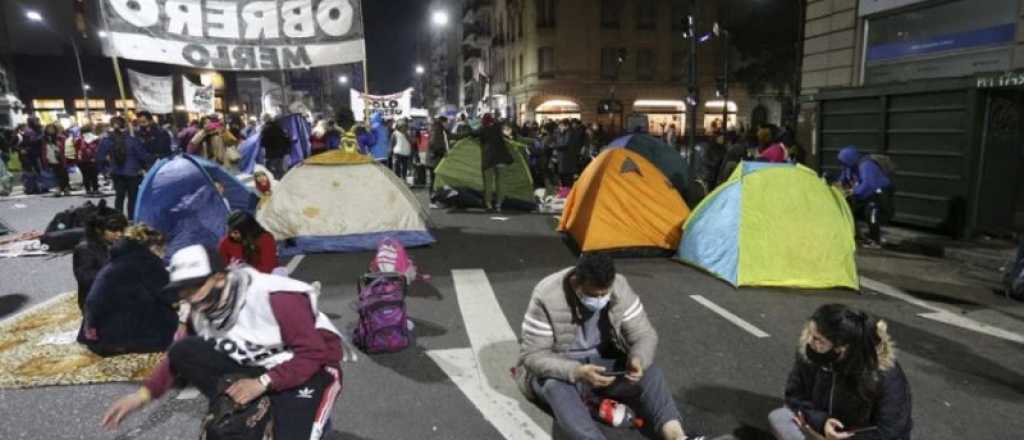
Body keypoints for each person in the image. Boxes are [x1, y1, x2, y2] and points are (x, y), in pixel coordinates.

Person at [101, 244, 344, 439]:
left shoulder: (275, 296)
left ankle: (313, 422)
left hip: (312, 368)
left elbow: (313, 353)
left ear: (219, 278)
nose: (189, 296)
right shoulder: (202, 307)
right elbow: (178, 356)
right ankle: (256, 408)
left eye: (194, 286)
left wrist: (262, 383)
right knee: (186, 350)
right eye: (181, 290)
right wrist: (142, 396)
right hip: (259, 363)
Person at [516, 253, 703, 440]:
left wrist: (638, 358)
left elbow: (644, 334)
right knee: (554, 387)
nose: (599, 299)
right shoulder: (547, 295)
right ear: (576, 282)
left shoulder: (619, 287)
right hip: (563, 369)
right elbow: (533, 355)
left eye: (604, 294)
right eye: (592, 294)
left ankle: (676, 435)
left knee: (651, 373)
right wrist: (577, 371)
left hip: (603, 364)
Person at [768, 304, 912, 440]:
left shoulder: (884, 373)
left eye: (818, 339)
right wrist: (822, 422)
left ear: (842, 348)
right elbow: (794, 396)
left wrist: (844, 437)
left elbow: (890, 430)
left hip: (858, 437)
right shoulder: (810, 355)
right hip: (822, 431)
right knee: (780, 417)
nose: (810, 342)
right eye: (810, 334)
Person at [79, 224, 176, 356]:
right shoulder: (146, 261)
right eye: (162, 249)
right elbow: (169, 294)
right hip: (114, 341)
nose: (164, 254)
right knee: (170, 315)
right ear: (153, 247)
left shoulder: (121, 256)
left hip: (94, 334)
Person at [837, 146, 893, 247]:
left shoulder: (866, 165)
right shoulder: (849, 167)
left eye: (843, 162)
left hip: (879, 193)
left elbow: (869, 184)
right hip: (865, 193)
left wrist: (852, 191)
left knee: (872, 212)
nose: (842, 165)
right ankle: (857, 235)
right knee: (848, 209)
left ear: (850, 159)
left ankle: (876, 241)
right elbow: (843, 180)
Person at [97, 116, 151, 220]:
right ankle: (132, 218)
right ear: (125, 126)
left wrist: (104, 171)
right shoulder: (132, 140)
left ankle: (118, 219)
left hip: (116, 172)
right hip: (133, 172)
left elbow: (99, 157)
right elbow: (142, 155)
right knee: (133, 198)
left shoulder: (107, 140)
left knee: (119, 197)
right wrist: (145, 167)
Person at [72, 213, 128, 312]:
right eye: (114, 230)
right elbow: (85, 278)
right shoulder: (85, 249)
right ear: (99, 230)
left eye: (122, 230)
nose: (119, 234)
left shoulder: (118, 244)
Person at [479, 113, 514, 211]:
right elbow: (510, 135)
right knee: (501, 182)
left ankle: (488, 204)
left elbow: (478, 139)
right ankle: (499, 204)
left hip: (488, 159)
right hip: (501, 157)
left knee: (488, 183)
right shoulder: (499, 127)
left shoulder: (482, 129)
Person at [42, 123, 71, 196]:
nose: (50, 130)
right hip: (51, 158)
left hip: (60, 158)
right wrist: (45, 159)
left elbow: (65, 147)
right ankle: (61, 189)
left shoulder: (61, 137)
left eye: (52, 129)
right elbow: (43, 150)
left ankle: (64, 188)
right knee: (57, 174)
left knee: (64, 174)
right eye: (49, 129)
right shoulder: (44, 138)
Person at [426, 117, 450, 200]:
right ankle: (433, 199)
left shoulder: (437, 129)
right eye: (447, 122)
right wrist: (443, 152)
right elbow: (434, 144)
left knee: (435, 180)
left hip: (433, 158)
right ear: (443, 122)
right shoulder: (437, 130)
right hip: (434, 159)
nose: (448, 124)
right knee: (434, 180)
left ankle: (435, 198)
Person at [75, 124, 102, 195]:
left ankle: (88, 190)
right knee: (94, 176)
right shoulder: (95, 138)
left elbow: (76, 150)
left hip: (81, 160)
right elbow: (98, 149)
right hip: (92, 160)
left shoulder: (78, 139)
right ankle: (95, 189)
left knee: (85, 175)